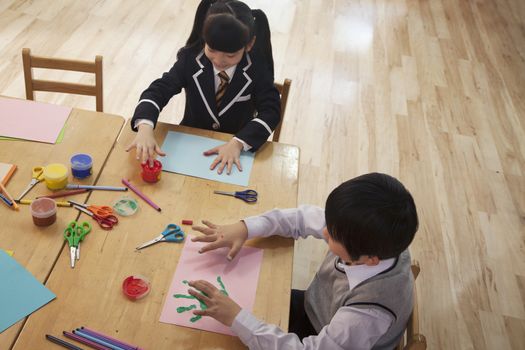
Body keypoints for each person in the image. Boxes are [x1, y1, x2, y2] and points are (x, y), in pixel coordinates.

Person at [188, 172, 419, 349]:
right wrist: (245, 227)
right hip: (316, 308)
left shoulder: (367, 314)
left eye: (333, 235)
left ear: (370, 259)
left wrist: (236, 318)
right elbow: (300, 218)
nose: (325, 231)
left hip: (322, 336)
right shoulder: (371, 237)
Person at [127, 0, 280, 174]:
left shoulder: (257, 69)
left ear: (249, 44)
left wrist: (238, 143)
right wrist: (145, 126)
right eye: (212, 49)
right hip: (189, 145)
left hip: (236, 151)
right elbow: (158, 91)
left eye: (230, 55)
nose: (219, 60)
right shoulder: (190, 60)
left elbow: (271, 111)